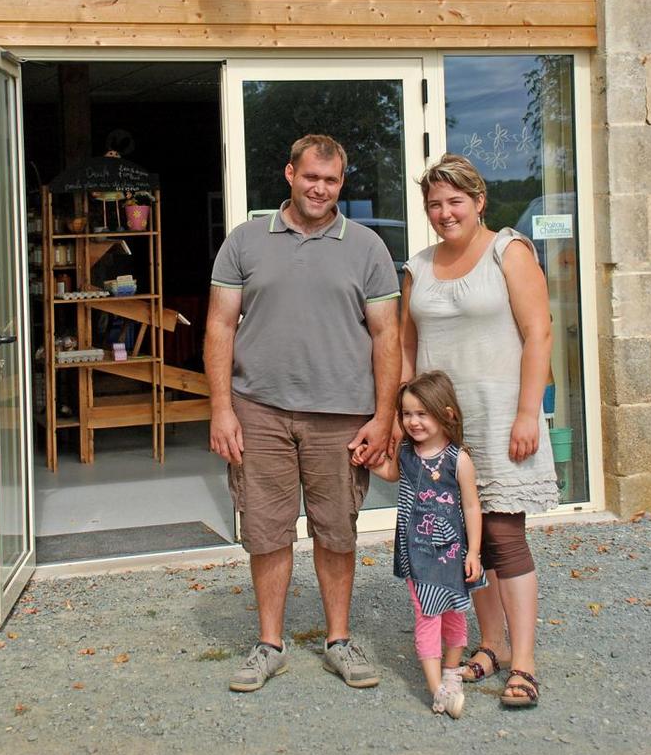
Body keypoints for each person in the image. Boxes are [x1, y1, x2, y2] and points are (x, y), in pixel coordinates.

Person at [204, 134, 401, 693]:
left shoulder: (366, 247)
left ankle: (338, 639)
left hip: (342, 415)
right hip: (259, 410)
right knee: (266, 531)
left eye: (331, 180)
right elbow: (220, 326)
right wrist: (222, 409)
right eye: (311, 176)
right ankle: (270, 643)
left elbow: (388, 336)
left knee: (337, 530)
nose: (320, 188)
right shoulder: (244, 241)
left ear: (342, 183)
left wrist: (383, 417)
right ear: (290, 173)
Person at [400, 154, 558, 709]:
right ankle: (488, 645)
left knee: (504, 537)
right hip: (441, 429)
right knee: (468, 543)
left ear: (479, 200)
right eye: (434, 204)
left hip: (500, 417)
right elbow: (404, 348)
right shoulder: (416, 267)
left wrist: (527, 411)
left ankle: (525, 663)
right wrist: (405, 420)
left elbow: (539, 333)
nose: (445, 213)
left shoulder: (508, 251)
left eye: (454, 202)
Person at [352, 371, 485, 719]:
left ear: (447, 414)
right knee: (427, 615)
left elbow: (472, 506)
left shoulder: (459, 460)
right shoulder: (408, 453)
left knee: (454, 612)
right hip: (417, 552)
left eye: (421, 414)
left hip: (454, 553)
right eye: (407, 414)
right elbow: (393, 473)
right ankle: (435, 689)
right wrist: (369, 461)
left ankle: (451, 673)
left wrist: (473, 552)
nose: (413, 422)